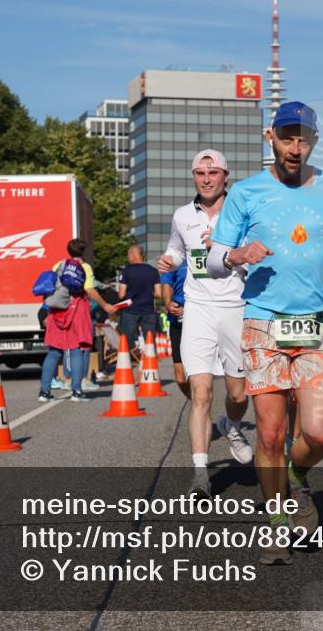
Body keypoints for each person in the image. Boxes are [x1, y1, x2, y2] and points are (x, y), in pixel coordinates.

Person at [206, 101, 323, 566]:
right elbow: (213, 260)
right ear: (270, 137)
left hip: (316, 323)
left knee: (322, 433)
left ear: (314, 140)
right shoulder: (247, 192)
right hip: (263, 320)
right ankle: (275, 525)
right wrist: (236, 255)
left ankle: (295, 476)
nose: (295, 147)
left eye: (303, 138)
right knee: (269, 434)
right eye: (287, 137)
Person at [156, 149, 254, 498]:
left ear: (226, 177)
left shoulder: (241, 211)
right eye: (200, 172)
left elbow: (255, 251)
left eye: (214, 172)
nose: (207, 178)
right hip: (198, 307)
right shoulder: (183, 215)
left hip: (235, 307)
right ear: (193, 176)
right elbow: (178, 249)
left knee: (238, 393)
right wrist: (170, 260)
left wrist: (230, 249)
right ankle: (200, 475)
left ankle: (232, 424)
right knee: (200, 393)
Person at [39, 239, 114, 402]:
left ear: (69, 251)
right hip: (77, 310)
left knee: (54, 352)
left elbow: (49, 287)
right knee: (76, 349)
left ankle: (44, 392)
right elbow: (89, 290)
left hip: (57, 310)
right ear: (83, 252)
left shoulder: (58, 265)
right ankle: (77, 391)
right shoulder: (85, 267)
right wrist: (105, 304)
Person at [118, 244, 162, 353]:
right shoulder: (153, 271)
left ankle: (128, 364)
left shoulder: (127, 271)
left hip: (130, 311)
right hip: (148, 311)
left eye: (128, 254)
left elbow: (121, 294)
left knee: (126, 341)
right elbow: (158, 294)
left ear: (133, 254)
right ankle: (151, 365)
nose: (128, 257)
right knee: (150, 342)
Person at [161, 260, 191, 399]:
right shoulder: (174, 258)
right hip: (177, 319)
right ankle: (198, 402)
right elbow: (166, 285)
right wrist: (168, 304)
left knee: (201, 375)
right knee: (180, 378)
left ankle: (201, 406)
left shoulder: (205, 251)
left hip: (202, 317)